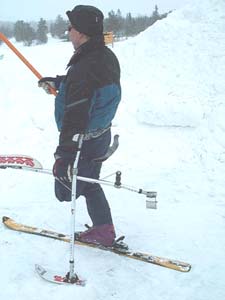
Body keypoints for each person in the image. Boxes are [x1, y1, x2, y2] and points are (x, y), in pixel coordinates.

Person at [38, 5, 121, 247]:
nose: (68, 31)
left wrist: (63, 156)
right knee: (90, 183)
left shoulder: (83, 68)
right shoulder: (105, 56)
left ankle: (103, 232)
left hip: (83, 141)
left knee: (67, 189)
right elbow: (91, 86)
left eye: (71, 27)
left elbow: (75, 118)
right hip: (100, 135)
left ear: (82, 32)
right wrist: (61, 82)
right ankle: (103, 230)